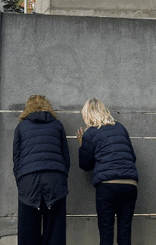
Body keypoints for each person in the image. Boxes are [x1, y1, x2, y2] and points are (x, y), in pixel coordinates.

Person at [76, 98, 139, 245]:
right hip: (130, 185)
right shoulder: (120, 128)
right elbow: (132, 157)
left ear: (88, 115)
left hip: (108, 187)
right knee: (125, 233)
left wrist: (82, 144)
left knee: (106, 234)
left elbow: (86, 165)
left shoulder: (90, 133)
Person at [13, 95, 70, 245]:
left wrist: (22, 182)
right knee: (55, 231)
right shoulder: (57, 125)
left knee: (28, 233)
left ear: (28, 108)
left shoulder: (21, 127)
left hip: (29, 181)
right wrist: (62, 177)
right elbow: (66, 158)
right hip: (55, 179)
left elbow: (16, 160)